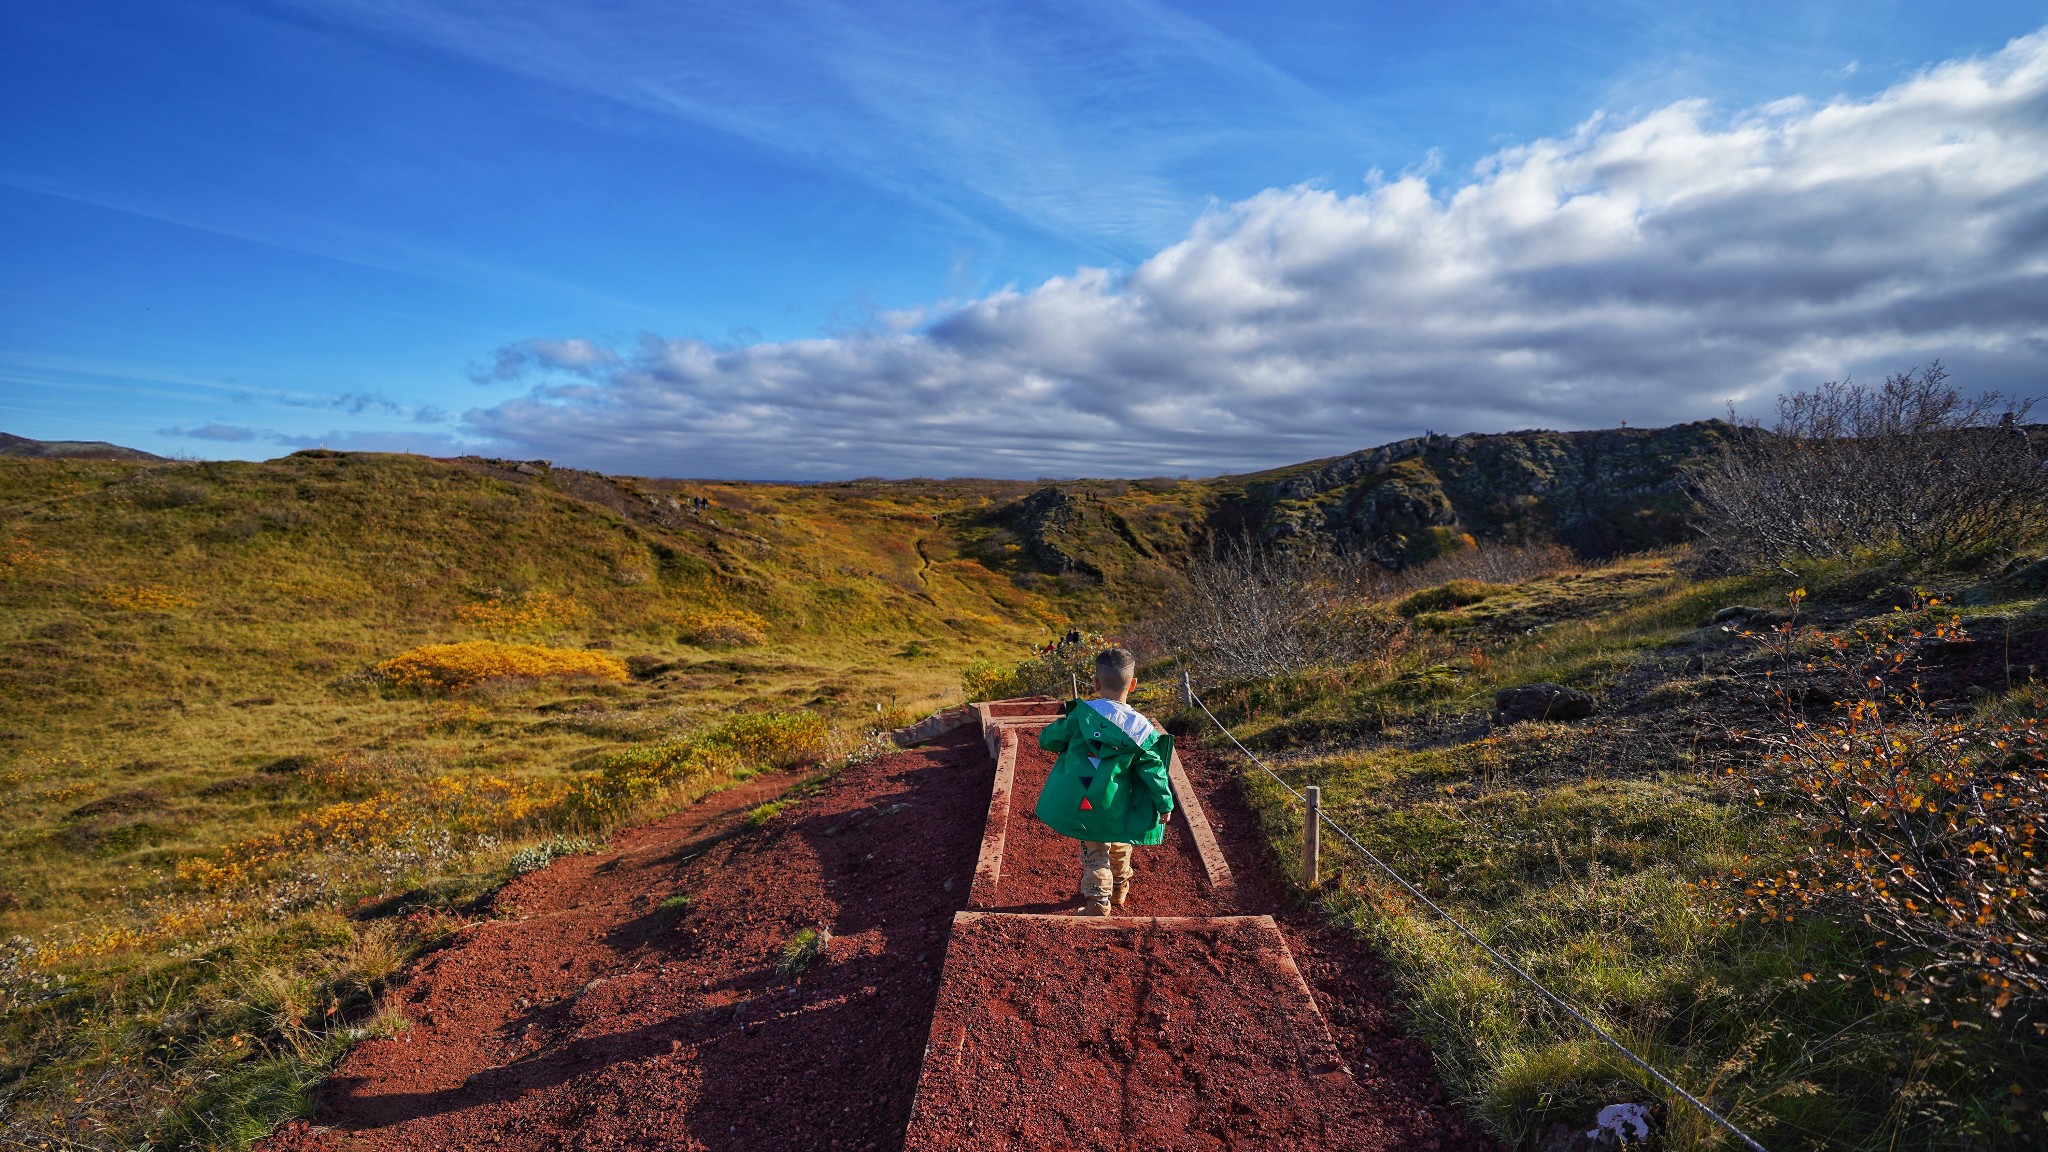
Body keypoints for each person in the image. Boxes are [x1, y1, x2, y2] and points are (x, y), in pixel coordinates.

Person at [1033, 648, 1175, 916]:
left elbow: (1048, 740)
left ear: (1096, 683)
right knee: (1121, 843)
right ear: (1133, 685)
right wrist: (1164, 802)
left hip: (1085, 802)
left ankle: (1098, 901)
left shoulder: (1082, 716)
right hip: (1119, 804)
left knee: (1094, 852)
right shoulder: (1143, 730)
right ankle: (1120, 888)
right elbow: (1154, 771)